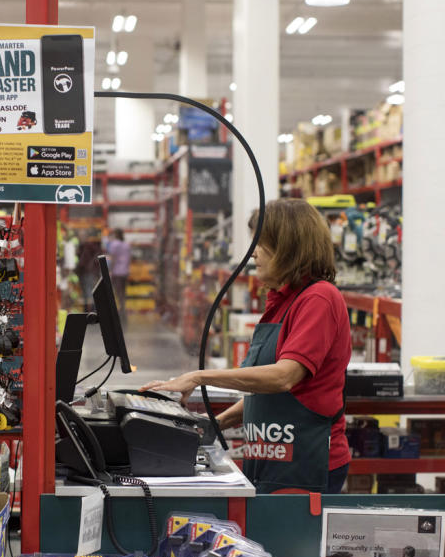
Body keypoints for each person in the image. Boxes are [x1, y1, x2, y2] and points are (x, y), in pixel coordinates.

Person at [141, 199, 351, 494]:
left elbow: (284, 377)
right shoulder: (281, 300)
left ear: (287, 247)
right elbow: (267, 396)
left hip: (306, 460)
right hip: (273, 454)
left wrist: (200, 376)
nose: (253, 253)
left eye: (261, 244)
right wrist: (213, 424)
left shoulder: (318, 299)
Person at [104, 229, 131, 319]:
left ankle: (119, 309)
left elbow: (112, 258)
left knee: (117, 291)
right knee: (123, 291)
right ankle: (123, 308)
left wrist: (110, 270)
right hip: (125, 271)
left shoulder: (115, 244)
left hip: (117, 271)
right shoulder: (126, 245)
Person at [75, 229, 103, 312]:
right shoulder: (81, 246)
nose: (80, 237)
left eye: (82, 235)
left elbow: (96, 256)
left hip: (89, 272)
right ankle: (88, 309)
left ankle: (91, 310)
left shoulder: (89, 246)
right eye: (80, 235)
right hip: (83, 272)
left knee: (89, 291)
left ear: (86, 236)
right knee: (86, 291)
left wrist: (91, 266)